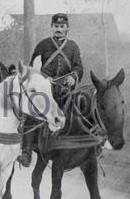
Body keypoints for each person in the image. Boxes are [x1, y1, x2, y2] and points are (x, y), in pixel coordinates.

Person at [16, 13, 84, 167]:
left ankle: (84, 146)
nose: (58, 29)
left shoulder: (73, 47)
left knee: (79, 109)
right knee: (33, 113)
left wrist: (73, 76)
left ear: (67, 28)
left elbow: (79, 67)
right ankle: (26, 152)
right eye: (56, 26)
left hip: (65, 89)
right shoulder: (43, 45)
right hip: (45, 87)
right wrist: (44, 78)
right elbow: (33, 67)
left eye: (62, 27)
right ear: (51, 27)